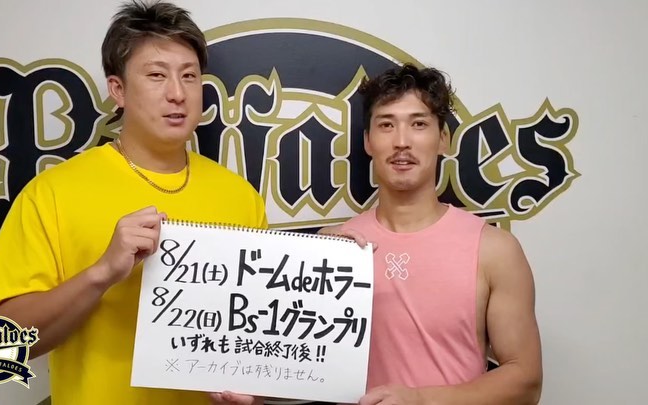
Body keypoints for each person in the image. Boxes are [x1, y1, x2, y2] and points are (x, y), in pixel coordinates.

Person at [0, 1, 267, 404]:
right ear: (118, 90)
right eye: (156, 75)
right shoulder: (53, 193)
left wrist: (254, 392)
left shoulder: (240, 196)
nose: (177, 94)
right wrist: (101, 274)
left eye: (189, 76)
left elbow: (260, 340)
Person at [215, 63, 543, 405]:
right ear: (368, 141)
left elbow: (526, 381)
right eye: (386, 125)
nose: (401, 142)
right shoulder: (333, 246)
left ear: (443, 139)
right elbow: (296, 363)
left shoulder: (494, 249)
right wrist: (252, 392)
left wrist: (420, 400)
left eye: (418, 124)